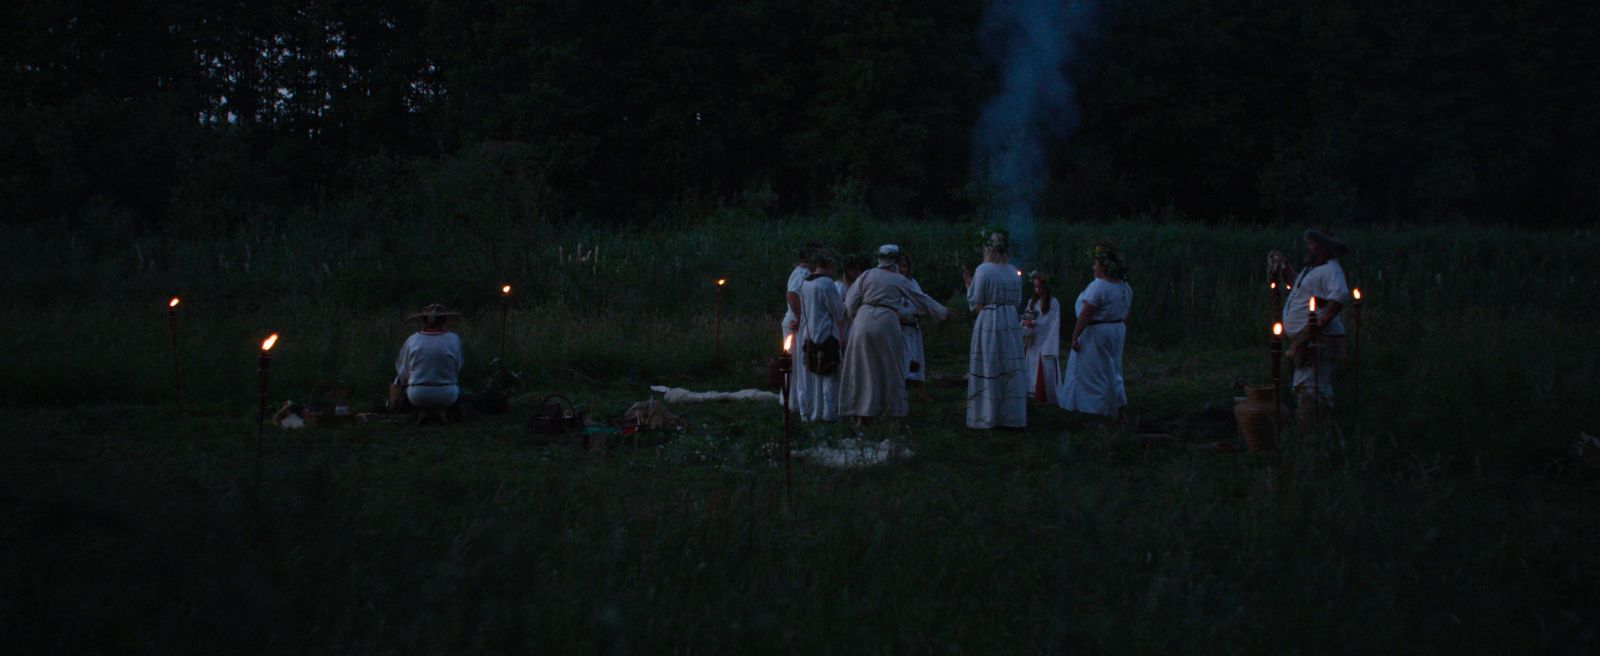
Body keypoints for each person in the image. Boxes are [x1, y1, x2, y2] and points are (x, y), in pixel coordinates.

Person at [840, 245, 951, 423]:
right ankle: (892, 413)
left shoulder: (867, 275)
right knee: (891, 367)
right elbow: (921, 299)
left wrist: (856, 318)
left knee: (862, 367)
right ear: (894, 260)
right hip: (886, 320)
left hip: (864, 319)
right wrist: (943, 312)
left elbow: (850, 302)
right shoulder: (898, 279)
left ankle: (861, 413)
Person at [1270, 228, 1351, 423]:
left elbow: (1339, 296)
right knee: (1308, 384)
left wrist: (1318, 325)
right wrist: (1283, 266)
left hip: (1318, 340)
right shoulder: (1313, 269)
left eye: (1311, 244)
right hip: (1307, 340)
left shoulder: (1332, 270)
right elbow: (1296, 285)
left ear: (1323, 248)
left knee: (1312, 386)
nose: (1308, 248)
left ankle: (1313, 431)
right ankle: (1315, 428)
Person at [1057, 239, 1133, 419]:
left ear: (1103, 266)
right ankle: (1116, 407)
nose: (1094, 267)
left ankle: (1096, 412)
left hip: (1096, 334)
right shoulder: (1124, 287)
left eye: (1096, 264)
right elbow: (1126, 313)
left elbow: (1086, 314)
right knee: (1112, 370)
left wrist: (1075, 337)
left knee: (1093, 373)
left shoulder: (1099, 286)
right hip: (1115, 330)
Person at [962, 229, 1028, 429]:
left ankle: (986, 416)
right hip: (1009, 320)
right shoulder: (1013, 270)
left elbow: (975, 299)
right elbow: (1017, 301)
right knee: (1008, 366)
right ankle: (1010, 417)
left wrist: (967, 282)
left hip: (990, 320)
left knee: (990, 364)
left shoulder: (984, 269)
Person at [797, 252, 847, 422]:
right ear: (829, 266)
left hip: (809, 333)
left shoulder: (805, 283)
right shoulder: (826, 283)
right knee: (830, 376)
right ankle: (829, 414)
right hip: (826, 334)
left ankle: (810, 411)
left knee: (812, 376)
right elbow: (838, 310)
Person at [392, 304, 465, 422]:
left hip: (417, 395)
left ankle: (422, 411)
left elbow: (403, 370)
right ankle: (442, 412)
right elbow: (458, 366)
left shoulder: (412, 340)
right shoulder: (454, 339)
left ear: (423, 321)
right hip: (447, 394)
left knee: (400, 381)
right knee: (459, 389)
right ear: (444, 321)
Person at [1022, 271, 1062, 404]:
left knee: (1045, 365)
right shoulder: (1032, 302)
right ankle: (1031, 390)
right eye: (1035, 287)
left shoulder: (1053, 303)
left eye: (1039, 286)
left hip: (1046, 339)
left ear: (1045, 287)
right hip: (1033, 339)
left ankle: (1048, 394)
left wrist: (1050, 342)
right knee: (1031, 364)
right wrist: (1026, 324)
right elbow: (1025, 318)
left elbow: (1054, 323)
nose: (1037, 290)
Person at [896, 252, 930, 387]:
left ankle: (919, 387)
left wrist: (921, 311)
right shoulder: (891, 283)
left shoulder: (913, 283)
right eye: (900, 266)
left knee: (916, 357)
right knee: (901, 360)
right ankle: (901, 388)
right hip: (899, 328)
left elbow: (921, 300)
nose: (902, 269)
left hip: (913, 326)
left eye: (904, 266)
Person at [782, 242, 820, 343]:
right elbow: (791, 294)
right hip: (794, 323)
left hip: (797, 322)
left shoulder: (803, 272)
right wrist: (799, 319)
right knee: (795, 358)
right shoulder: (803, 274)